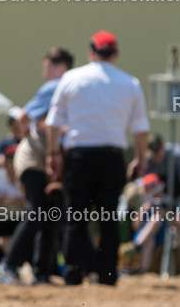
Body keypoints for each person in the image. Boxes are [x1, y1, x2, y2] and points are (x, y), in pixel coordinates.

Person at [46, 31, 150, 286]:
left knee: (75, 217)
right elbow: (140, 129)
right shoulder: (130, 83)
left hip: (79, 156)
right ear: (115, 54)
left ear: (91, 52)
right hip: (111, 157)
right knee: (108, 218)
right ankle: (107, 274)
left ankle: (73, 271)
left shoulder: (72, 78)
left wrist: (52, 154)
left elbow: (53, 121)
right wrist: (140, 159)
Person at [0, 47, 74, 285]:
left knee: (50, 216)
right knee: (38, 211)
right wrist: (27, 140)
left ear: (61, 67)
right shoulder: (56, 88)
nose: (44, 73)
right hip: (34, 158)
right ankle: (8, 266)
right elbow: (25, 118)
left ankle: (42, 273)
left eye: (47, 68)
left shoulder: (60, 86)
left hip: (44, 157)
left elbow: (24, 118)